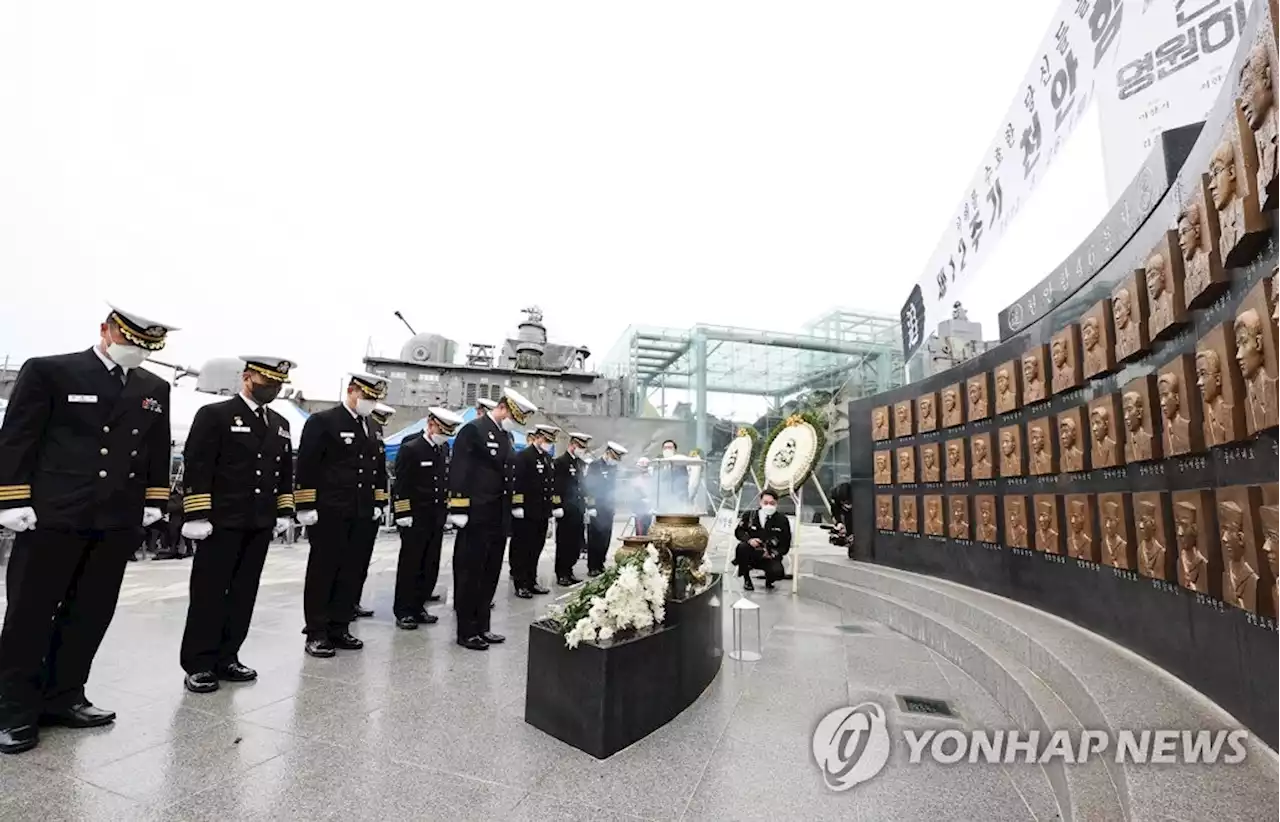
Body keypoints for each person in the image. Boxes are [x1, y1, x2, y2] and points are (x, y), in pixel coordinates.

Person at [0, 304, 176, 754]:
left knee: (91, 613)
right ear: (106, 330)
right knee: (30, 615)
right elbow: (18, 437)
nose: (137, 351)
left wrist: (155, 499)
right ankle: (13, 711)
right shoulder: (51, 372)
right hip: (53, 517)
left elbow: (157, 447)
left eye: (146, 346)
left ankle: (64, 697)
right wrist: (12, 498)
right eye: (132, 341)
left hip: (115, 520)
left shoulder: (153, 387)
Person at [178, 357, 297, 694]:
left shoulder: (279, 422)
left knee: (244, 593)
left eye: (278, 383)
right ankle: (199, 663)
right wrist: (196, 514)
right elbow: (198, 464)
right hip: (221, 522)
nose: (273, 388)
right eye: (267, 380)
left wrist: (283, 511)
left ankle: (228, 656)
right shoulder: (215, 415)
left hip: (258, 521)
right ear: (247, 377)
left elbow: (284, 473)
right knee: (209, 594)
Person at [294, 373, 388, 658]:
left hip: (361, 512)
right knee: (324, 571)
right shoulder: (324, 421)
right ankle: (317, 631)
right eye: (367, 396)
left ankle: (340, 626)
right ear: (351, 391)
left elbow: (378, 470)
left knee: (352, 570)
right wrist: (305, 506)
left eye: (374, 399)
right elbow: (307, 465)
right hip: (330, 511)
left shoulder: (372, 426)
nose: (370, 403)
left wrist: (378, 502)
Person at [448, 387, 535, 650]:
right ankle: (466, 631)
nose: (515, 424)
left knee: (489, 575)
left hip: (498, 517)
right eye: (514, 417)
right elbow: (460, 469)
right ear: (504, 407)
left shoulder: (505, 436)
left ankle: (482, 626)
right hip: (476, 515)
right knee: (470, 574)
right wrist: (459, 508)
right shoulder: (473, 430)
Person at [391, 406, 463, 629]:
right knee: (410, 565)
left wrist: (447, 510)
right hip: (415, 518)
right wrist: (402, 512)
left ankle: (419, 605)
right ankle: (404, 610)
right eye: (442, 431)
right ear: (431, 424)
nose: (444, 437)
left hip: (435, 517)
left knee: (430, 564)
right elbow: (401, 485)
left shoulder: (442, 451)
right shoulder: (411, 448)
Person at [349, 402, 394, 619]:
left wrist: (380, 503)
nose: (380, 425)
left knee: (361, 560)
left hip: (368, 507)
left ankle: (353, 601)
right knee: (346, 562)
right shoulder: (362, 433)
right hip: (349, 506)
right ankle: (344, 604)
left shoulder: (376, 435)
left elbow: (380, 473)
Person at [510, 424, 560, 597]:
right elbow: (516, 483)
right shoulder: (523, 456)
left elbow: (549, 485)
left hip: (541, 512)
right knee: (522, 549)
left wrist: (551, 507)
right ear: (538, 437)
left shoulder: (546, 458)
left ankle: (531, 581)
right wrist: (517, 506)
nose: (548, 444)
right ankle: (520, 583)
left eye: (550, 441)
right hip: (526, 512)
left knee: (536, 548)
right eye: (546, 440)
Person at [553, 432, 592, 586]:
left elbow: (583, 487)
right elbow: (555, 487)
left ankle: (569, 570)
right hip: (566, 510)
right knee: (564, 543)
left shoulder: (579, 463)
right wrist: (556, 505)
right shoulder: (560, 462)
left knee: (575, 543)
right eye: (581, 446)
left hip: (577, 509)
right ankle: (561, 573)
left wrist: (587, 506)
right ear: (573, 445)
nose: (582, 450)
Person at [733, 490, 791, 591]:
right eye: (765, 502)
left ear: (776, 503)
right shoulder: (750, 516)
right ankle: (746, 579)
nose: (768, 505)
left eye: (772, 503)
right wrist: (749, 540)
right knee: (742, 547)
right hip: (752, 553)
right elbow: (739, 532)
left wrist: (773, 553)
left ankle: (769, 579)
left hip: (770, 556)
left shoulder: (782, 520)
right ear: (760, 502)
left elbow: (785, 543)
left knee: (778, 573)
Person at [584, 441, 627, 576]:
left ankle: (600, 562)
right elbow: (588, 486)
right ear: (608, 453)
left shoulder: (612, 468)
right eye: (614, 457)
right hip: (596, 508)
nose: (615, 461)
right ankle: (592, 566)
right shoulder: (595, 466)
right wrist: (590, 505)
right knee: (595, 537)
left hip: (608, 507)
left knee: (606, 537)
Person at [656, 439, 688, 508]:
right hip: (663, 499)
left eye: (670, 448)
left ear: (675, 450)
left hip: (679, 498)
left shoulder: (681, 462)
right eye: (665, 448)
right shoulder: (659, 464)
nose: (667, 450)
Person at [829, 481, 854, 558]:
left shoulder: (856, 493)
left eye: (848, 502)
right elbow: (835, 512)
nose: (847, 504)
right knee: (848, 523)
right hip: (846, 514)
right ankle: (851, 548)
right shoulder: (835, 497)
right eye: (845, 502)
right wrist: (838, 523)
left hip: (857, 512)